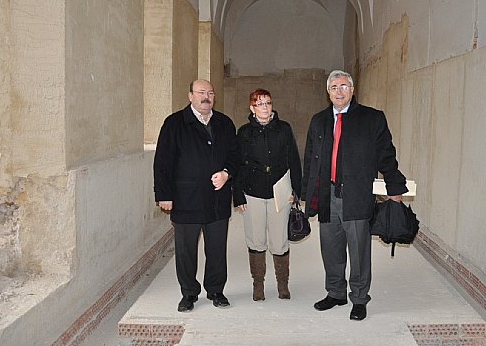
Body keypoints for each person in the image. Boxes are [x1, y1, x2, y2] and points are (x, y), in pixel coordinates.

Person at [302, 70, 407, 321]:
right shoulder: (319, 120)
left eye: (344, 86)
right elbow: (310, 159)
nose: (339, 91)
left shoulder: (372, 118)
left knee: (359, 249)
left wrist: (394, 186)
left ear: (352, 89)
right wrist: (305, 191)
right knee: (330, 247)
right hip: (327, 195)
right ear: (328, 92)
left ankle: (359, 298)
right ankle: (336, 292)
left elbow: (386, 154)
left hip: (357, 195)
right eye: (334, 87)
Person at [153, 79, 239, 312]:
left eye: (210, 93)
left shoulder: (224, 123)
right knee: (185, 250)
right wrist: (164, 194)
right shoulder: (174, 123)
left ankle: (216, 290)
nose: (206, 97)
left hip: (217, 199)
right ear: (190, 95)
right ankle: (189, 293)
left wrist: (226, 173)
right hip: (185, 198)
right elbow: (162, 162)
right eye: (201, 92)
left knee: (217, 248)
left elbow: (235, 155)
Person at [233, 89, 302, 301]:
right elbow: (237, 164)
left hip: (279, 190)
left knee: (280, 240)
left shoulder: (283, 129)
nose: (265, 107)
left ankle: (283, 284)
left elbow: (294, 160)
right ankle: (258, 284)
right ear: (252, 107)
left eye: (268, 103)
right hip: (252, 191)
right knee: (256, 240)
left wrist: (296, 191)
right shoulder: (244, 132)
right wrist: (238, 195)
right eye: (260, 103)